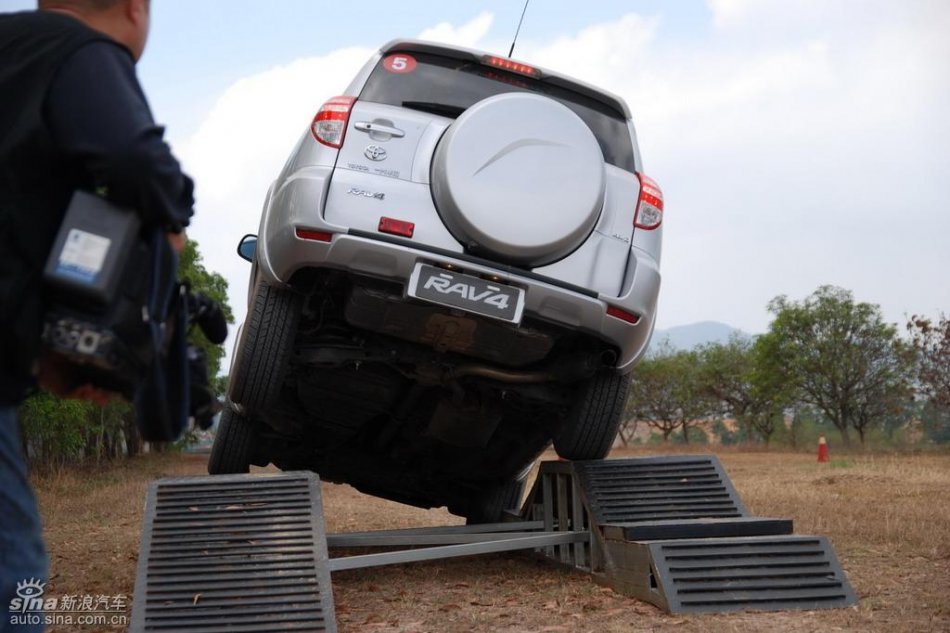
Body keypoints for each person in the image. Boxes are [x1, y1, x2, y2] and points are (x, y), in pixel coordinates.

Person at [0, 1, 194, 628]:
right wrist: (171, 222)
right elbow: (135, 159)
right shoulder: (73, 48)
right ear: (135, 10)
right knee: (11, 571)